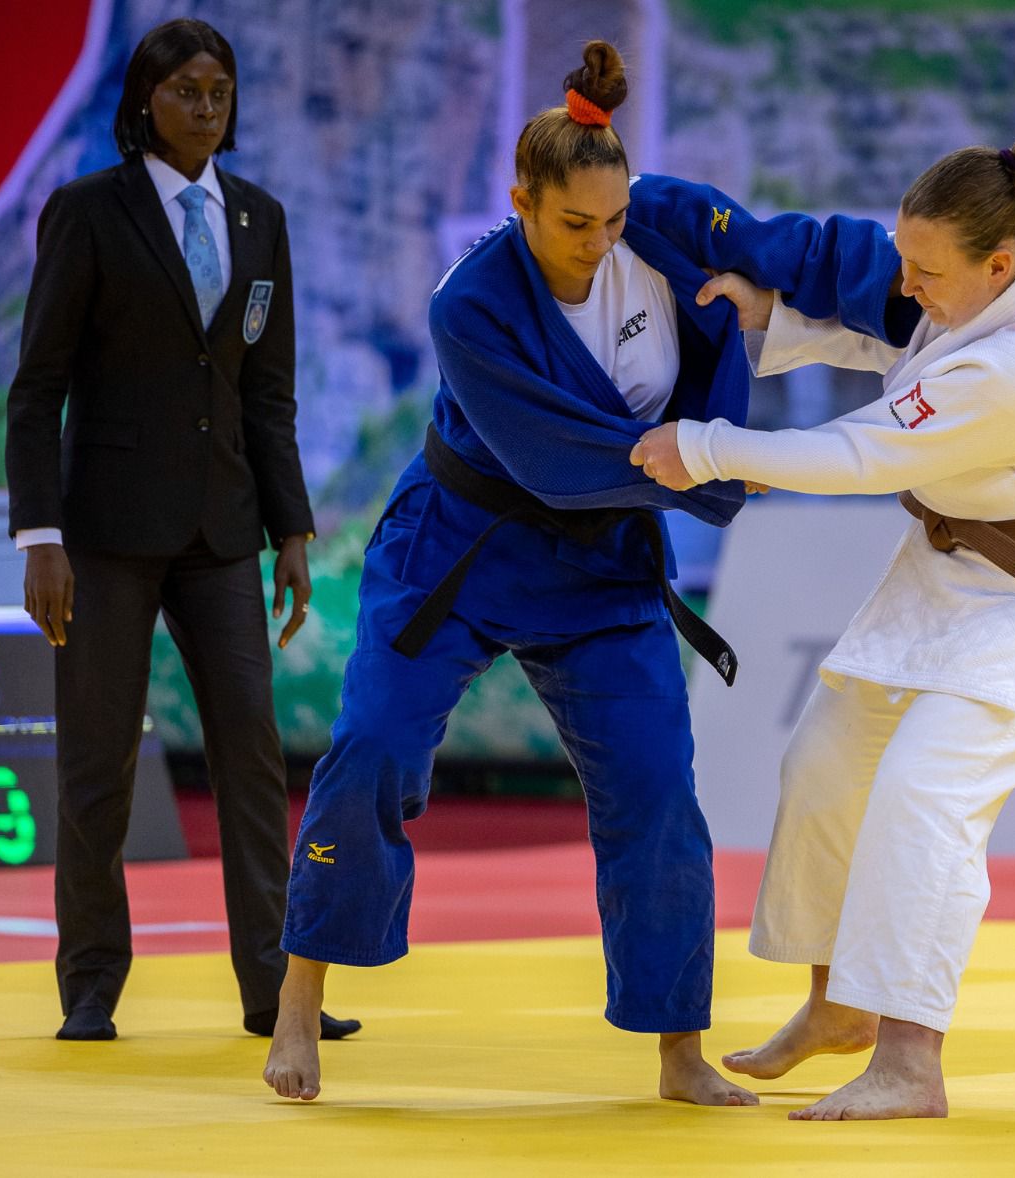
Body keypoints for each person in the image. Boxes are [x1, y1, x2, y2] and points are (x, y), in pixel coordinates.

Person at [262, 40, 911, 1104]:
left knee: (657, 785)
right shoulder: (467, 304)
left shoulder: (662, 220)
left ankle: (676, 1047)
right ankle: (299, 1001)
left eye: (613, 221)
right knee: (373, 745)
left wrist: (913, 291)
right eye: (574, 224)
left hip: (603, 565)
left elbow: (782, 245)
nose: (600, 242)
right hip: (460, 547)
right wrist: (714, 472)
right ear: (519, 201)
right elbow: (556, 461)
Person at [632, 128, 1015, 1120]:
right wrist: (778, 322)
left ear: (998, 263)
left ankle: (909, 1058)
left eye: (927, 267)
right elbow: (917, 337)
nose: (908, 281)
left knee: (929, 788)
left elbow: (863, 451)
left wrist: (704, 446)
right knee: (826, 765)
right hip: (974, 556)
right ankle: (836, 1005)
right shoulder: (1012, 264)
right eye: (905, 257)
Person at [5, 18, 359, 1044]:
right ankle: (90, 985)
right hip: (106, 536)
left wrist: (290, 530)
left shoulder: (259, 220)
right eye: (189, 90)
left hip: (223, 532)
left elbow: (269, 394)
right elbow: (37, 394)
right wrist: (42, 538)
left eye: (222, 91)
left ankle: (271, 989)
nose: (209, 106)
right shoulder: (87, 212)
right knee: (96, 762)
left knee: (252, 748)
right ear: (146, 101)